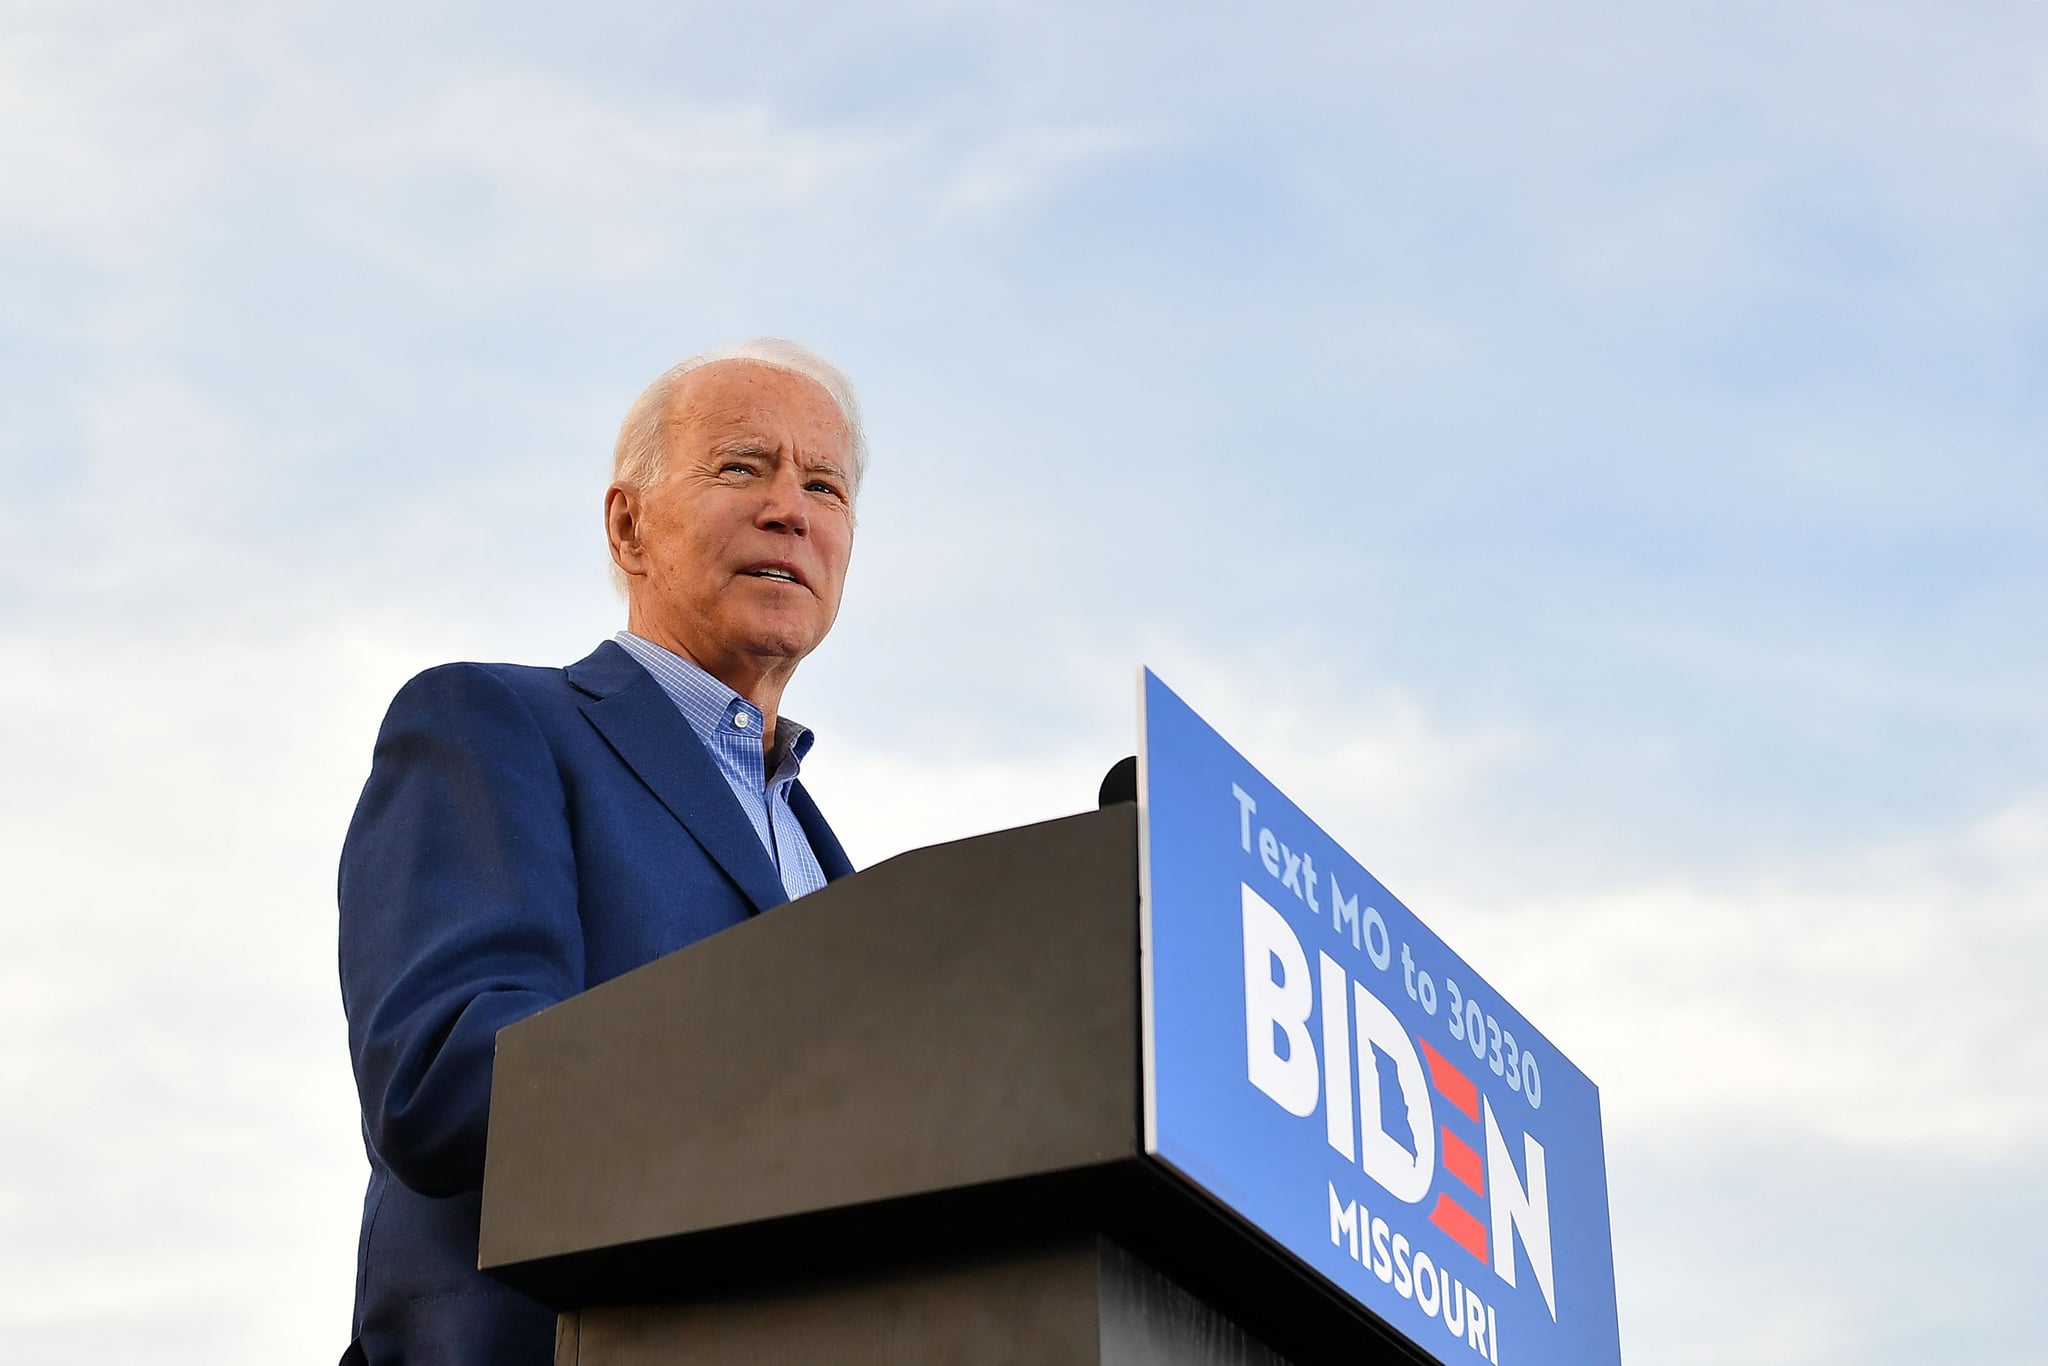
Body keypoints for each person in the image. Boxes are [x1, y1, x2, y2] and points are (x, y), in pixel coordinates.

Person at [337, 339, 864, 1365]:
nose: (790, 509)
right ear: (629, 525)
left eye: (825, 485)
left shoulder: (831, 864)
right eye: (742, 467)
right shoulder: (494, 724)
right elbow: (447, 1080)